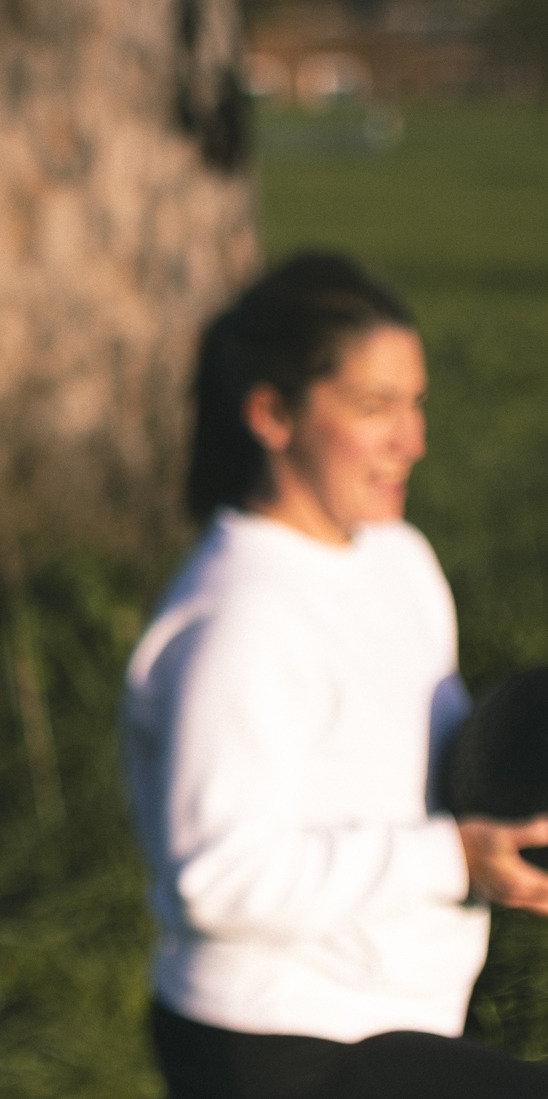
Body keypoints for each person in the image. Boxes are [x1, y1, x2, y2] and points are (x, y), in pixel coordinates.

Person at [123, 252, 548, 1099]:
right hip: (280, 1043)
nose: (412, 438)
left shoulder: (399, 558)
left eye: (415, 402)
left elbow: (434, 773)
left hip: (397, 1014)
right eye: (374, 406)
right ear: (272, 413)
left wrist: (510, 831)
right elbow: (218, 876)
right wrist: (451, 857)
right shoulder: (239, 618)